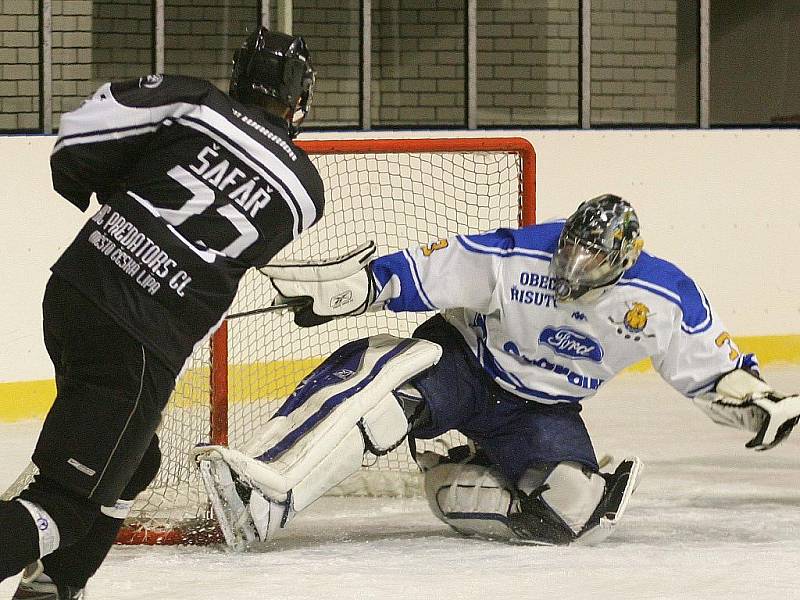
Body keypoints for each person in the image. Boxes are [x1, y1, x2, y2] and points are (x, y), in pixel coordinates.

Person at [195, 194, 800, 549]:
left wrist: (756, 401)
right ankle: (267, 486)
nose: (573, 266)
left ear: (625, 261)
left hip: (542, 411)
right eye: (570, 248)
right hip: (469, 370)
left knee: (573, 515)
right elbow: (425, 273)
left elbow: (714, 372)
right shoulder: (517, 252)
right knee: (390, 381)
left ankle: (454, 476)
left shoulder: (664, 298)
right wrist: (361, 286)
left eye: (591, 260)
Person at [2, 27, 323, 598]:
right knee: (68, 504)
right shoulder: (304, 190)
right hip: (140, 338)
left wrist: (114, 187)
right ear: (299, 96)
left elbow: (79, 134)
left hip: (76, 291)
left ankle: (54, 584)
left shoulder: (195, 102)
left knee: (136, 459)